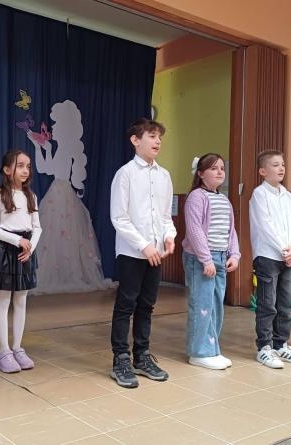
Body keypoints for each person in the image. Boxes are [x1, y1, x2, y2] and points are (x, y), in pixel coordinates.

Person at [109, 118, 176, 389]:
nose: (157, 141)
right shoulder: (125, 174)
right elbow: (119, 217)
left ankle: (142, 355)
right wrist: (143, 245)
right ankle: (120, 359)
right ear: (135, 140)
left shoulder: (164, 175)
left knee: (147, 305)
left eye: (159, 137)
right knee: (126, 304)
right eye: (151, 136)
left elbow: (165, 216)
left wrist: (169, 236)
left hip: (156, 252)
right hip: (131, 252)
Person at [23, 100, 111, 293]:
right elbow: (45, 168)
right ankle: (58, 274)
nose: (53, 127)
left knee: (61, 232)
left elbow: (50, 169)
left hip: (61, 193)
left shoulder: (67, 149)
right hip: (57, 192)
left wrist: (43, 148)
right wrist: (40, 148)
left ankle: (64, 275)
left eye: (55, 124)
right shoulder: (61, 148)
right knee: (55, 233)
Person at [182, 153, 240, 370]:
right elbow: (195, 230)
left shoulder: (224, 199)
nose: (219, 172)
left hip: (221, 257)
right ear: (200, 173)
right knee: (202, 305)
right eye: (213, 168)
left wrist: (234, 254)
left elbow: (230, 230)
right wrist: (206, 259)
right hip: (201, 259)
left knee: (215, 306)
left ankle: (212, 349)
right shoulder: (196, 197)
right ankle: (198, 352)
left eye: (222, 168)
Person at [250, 151, 291, 369]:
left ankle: (280, 343)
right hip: (268, 256)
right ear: (262, 171)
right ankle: (264, 347)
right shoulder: (259, 194)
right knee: (267, 303)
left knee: (285, 303)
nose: (281, 168)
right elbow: (266, 227)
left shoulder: (288, 196)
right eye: (275, 165)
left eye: (282, 164)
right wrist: (285, 250)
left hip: (288, 257)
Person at [0, 150, 42, 373]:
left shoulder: (31, 196)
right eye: (20, 166)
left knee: (21, 300)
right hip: (7, 251)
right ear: (7, 170)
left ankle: (18, 348)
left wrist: (30, 247)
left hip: (25, 252)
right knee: (4, 301)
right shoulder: (0, 194)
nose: (25, 170)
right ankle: (4, 351)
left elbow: (37, 227)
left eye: (28, 166)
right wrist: (16, 240)